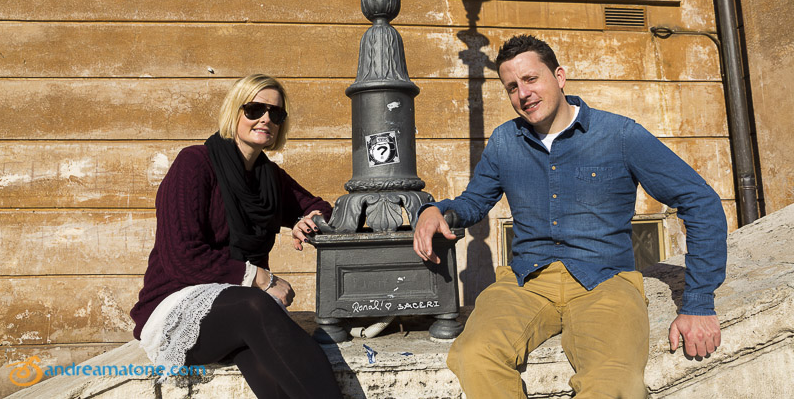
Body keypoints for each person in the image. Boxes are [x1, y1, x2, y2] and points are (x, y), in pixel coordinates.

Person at [413, 35, 727, 398]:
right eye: (512, 87)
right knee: (473, 354)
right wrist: (437, 211)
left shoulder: (619, 134)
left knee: (615, 383)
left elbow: (698, 200)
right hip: (526, 283)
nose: (523, 94)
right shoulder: (504, 142)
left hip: (605, 282)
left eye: (531, 79)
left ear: (559, 76)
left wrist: (699, 304)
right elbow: (474, 202)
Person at [130, 74, 341, 398]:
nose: (266, 119)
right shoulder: (195, 164)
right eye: (255, 109)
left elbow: (317, 208)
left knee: (270, 363)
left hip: (238, 309)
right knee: (256, 307)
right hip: (178, 304)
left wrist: (307, 220)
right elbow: (181, 257)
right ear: (235, 112)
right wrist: (262, 278)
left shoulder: (269, 178)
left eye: (276, 113)